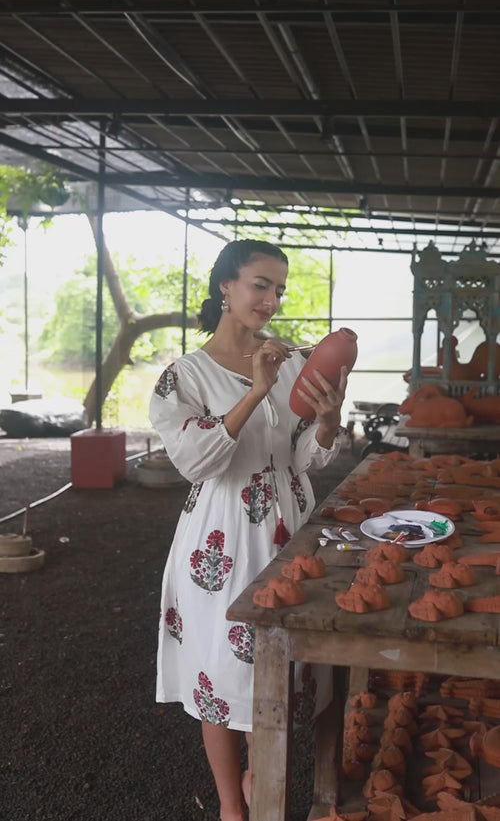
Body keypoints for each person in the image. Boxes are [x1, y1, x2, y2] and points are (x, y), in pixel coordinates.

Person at [149, 239, 348, 821]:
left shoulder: (296, 361)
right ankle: (232, 807)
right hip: (222, 534)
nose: (271, 299)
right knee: (222, 668)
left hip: (292, 523)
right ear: (225, 288)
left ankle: (264, 780)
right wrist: (257, 390)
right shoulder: (183, 376)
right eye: (260, 284)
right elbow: (196, 461)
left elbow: (308, 458)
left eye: (279, 288)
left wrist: (329, 422)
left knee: (287, 666)